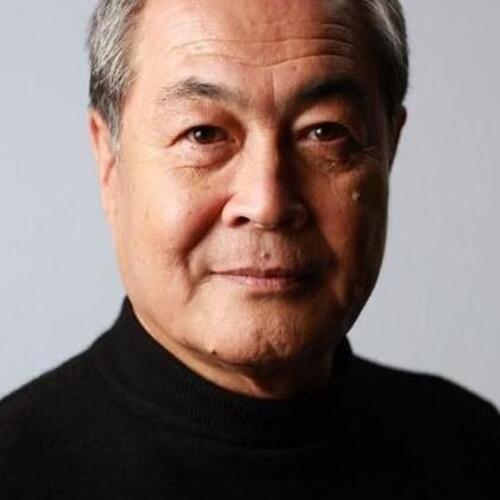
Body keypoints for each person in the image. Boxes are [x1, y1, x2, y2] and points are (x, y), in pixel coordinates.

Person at [0, 0, 499, 497]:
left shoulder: (472, 448)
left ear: (390, 148)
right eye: (203, 134)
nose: (267, 203)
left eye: (324, 132)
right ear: (108, 159)